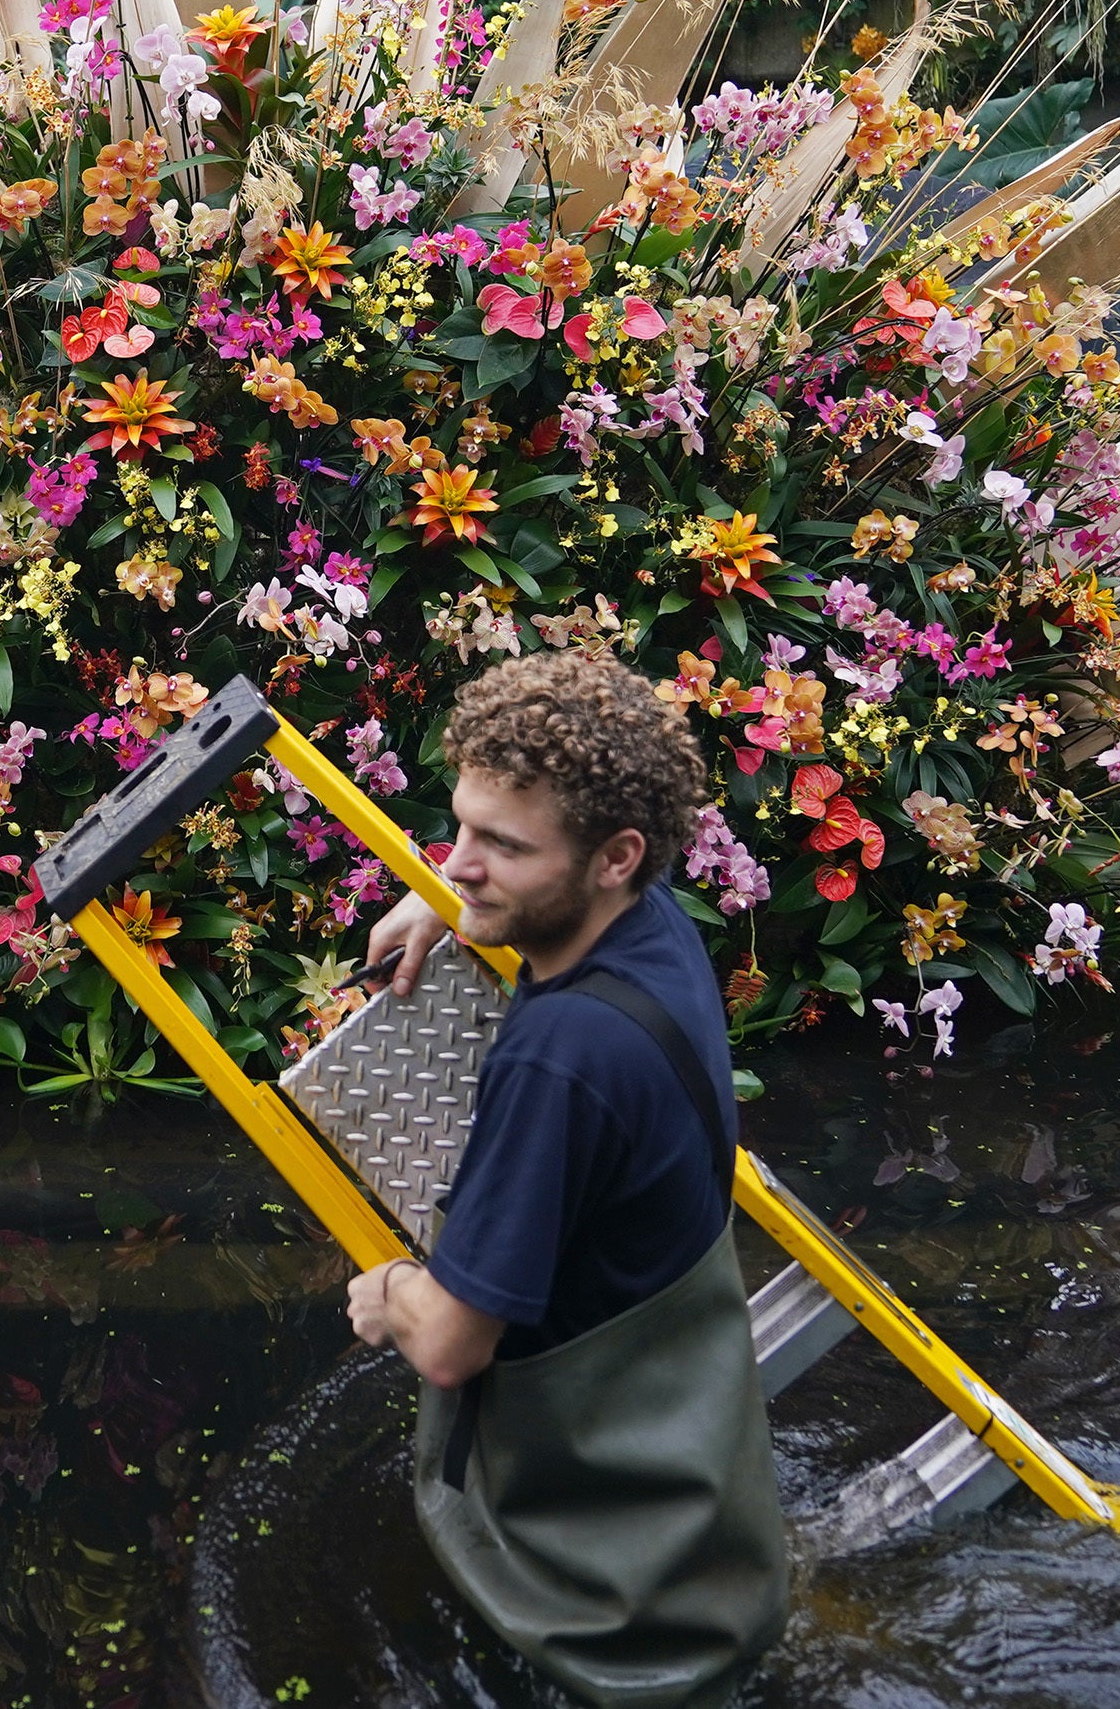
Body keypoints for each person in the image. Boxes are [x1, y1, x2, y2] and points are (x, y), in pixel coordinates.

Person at [345, 652, 788, 1708]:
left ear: (611, 855)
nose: (457, 864)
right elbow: (502, 891)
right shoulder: (653, 929)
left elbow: (452, 1348)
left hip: (610, 1629)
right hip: (709, 1550)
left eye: (500, 846)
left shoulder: (559, 1061)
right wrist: (448, 906)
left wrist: (389, 1293)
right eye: (458, 830)